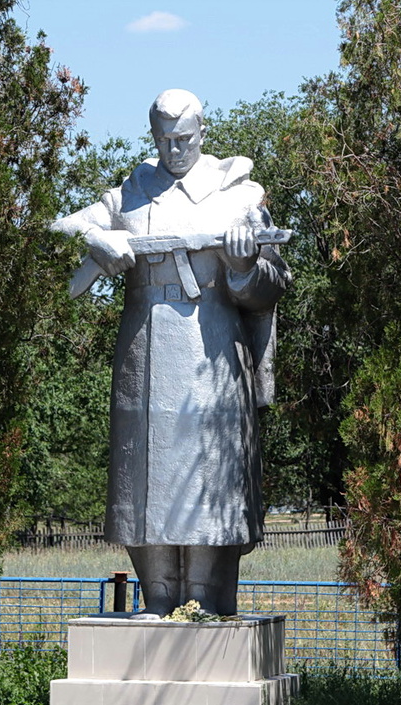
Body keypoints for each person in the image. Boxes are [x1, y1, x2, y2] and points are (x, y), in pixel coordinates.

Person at [51, 89, 290, 617]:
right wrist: (96, 235)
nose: (175, 149)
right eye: (164, 139)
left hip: (214, 350)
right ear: (153, 136)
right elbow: (58, 227)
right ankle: (157, 596)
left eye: (184, 138)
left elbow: (273, 283)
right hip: (144, 348)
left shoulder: (239, 194)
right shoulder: (132, 192)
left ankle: (206, 598)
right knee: (144, 476)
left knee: (212, 475)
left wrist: (244, 266)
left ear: (202, 131)